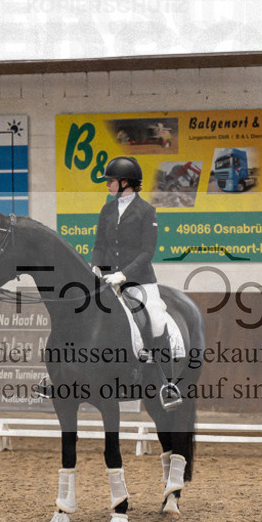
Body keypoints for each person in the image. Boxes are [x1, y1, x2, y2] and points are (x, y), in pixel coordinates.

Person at [90, 156, 181, 409]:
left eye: (111, 181)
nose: (107, 185)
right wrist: (95, 267)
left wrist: (124, 274)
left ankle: (167, 382)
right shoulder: (107, 210)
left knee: (155, 317)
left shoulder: (146, 211)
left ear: (125, 182)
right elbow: (99, 245)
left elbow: (147, 251)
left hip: (139, 280)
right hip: (107, 279)